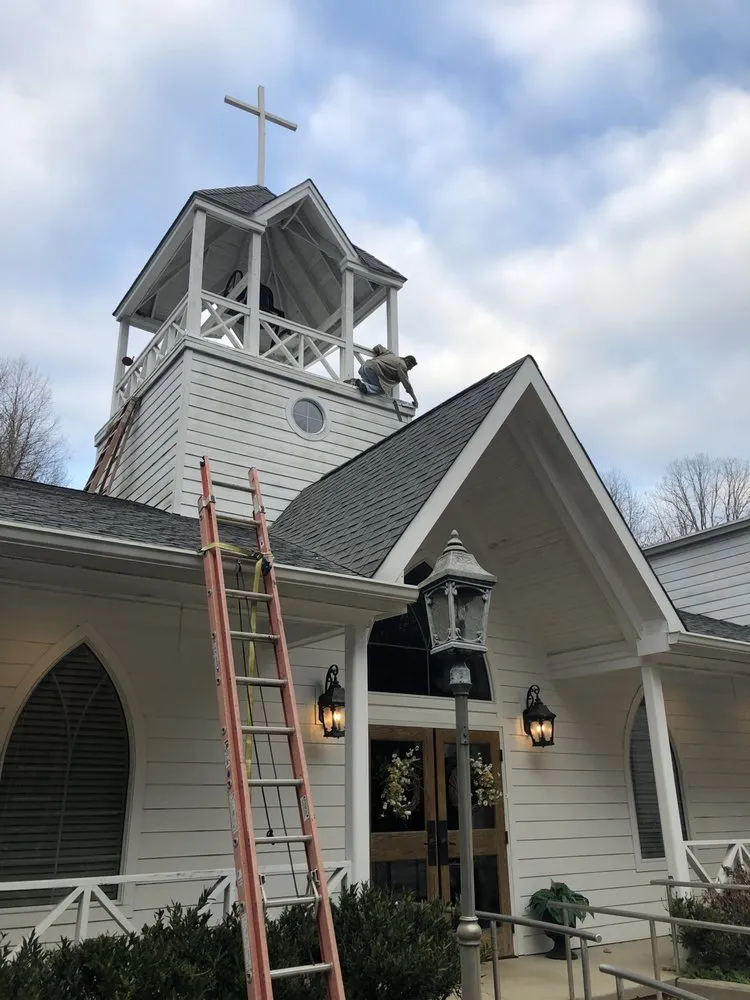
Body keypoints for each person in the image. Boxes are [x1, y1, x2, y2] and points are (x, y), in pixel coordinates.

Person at [353, 346, 419, 407]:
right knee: (382, 389)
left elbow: (378, 347)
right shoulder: (402, 365)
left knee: (369, 383)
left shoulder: (390, 354)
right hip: (373, 371)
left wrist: (378, 358)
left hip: (364, 367)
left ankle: (355, 383)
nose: (410, 369)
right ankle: (365, 387)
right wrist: (415, 400)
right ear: (407, 361)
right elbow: (407, 385)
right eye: (411, 367)